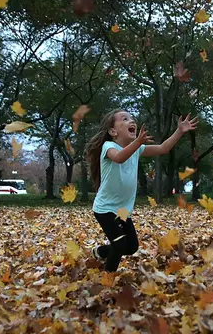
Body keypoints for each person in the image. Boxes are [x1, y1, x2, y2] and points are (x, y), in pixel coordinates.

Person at [84, 110, 198, 272]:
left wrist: (179, 131)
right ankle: (107, 280)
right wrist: (137, 143)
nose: (132, 121)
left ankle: (100, 251)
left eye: (132, 118)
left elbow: (162, 148)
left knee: (131, 247)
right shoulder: (109, 147)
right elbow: (119, 157)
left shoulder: (137, 148)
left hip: (123, 210)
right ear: (113, 131)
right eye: (125, 119)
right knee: (119, 244)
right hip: (105, 209)